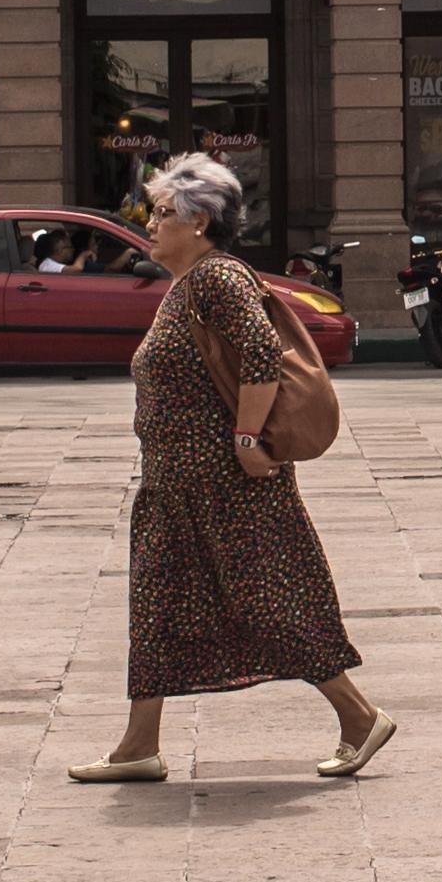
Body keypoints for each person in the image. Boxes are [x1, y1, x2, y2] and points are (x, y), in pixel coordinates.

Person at [70, 157, 387, 787]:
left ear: (202, 222)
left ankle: (359, 716)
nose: (150, 225)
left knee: (272, 602)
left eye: (163, 213)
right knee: (158, 610)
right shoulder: (185, 287)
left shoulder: (218, 277)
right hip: (172, 488)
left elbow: (261, 353)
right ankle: (139, 745)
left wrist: (246, 437)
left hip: (226, 486)